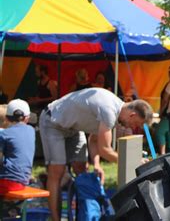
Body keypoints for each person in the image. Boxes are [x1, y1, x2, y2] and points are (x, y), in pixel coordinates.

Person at [39, 87, 153, 221]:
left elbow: (93, 139)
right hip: (53, 121)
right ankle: (55, 219)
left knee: (81, 169)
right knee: (57, 171)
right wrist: (133, 162)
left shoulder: (115, 113)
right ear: (132, 115)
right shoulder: (109, 111)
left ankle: (83, 214)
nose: (133, 128)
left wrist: (97, 164)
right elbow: (105, 150)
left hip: (74, 128)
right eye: (136, 124)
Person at [0, 99, 35, 194]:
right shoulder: (31, 131)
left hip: (6, 183)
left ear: (7, 118)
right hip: (23, 181)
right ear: (27, 118)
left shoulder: (4, 134)